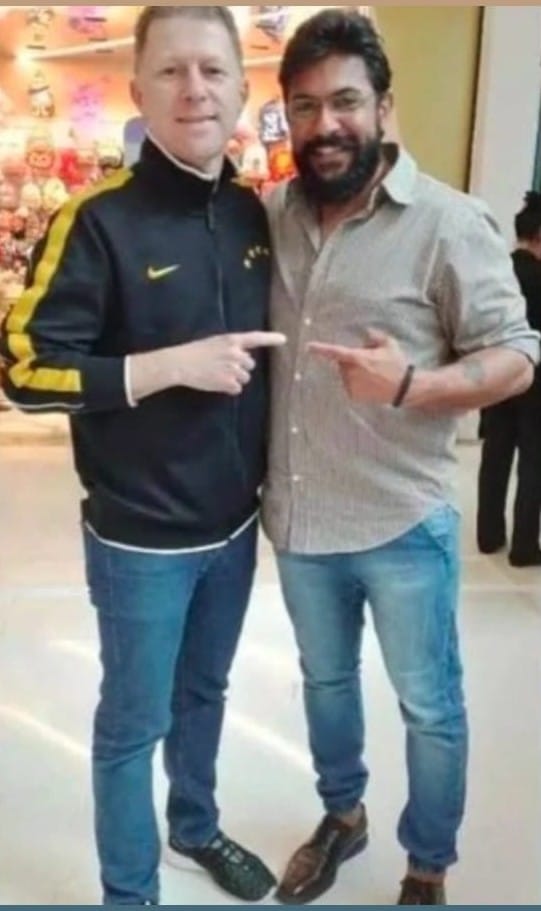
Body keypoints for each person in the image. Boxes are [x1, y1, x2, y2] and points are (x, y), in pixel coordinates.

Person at [1, 6, 284, 906]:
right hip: (139, 540)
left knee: (205, 692)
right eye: (171, 70)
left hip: (235, 527)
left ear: (239, 89)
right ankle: (130, 892)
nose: (193, 89)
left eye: (212, 70)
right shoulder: (95, 221)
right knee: (133, 722)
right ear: (138, 91)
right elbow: (22, 367)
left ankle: (193, 825)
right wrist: (167, 366)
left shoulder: (249, 211)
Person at [262, 9, 539, 906]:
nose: (326, 124)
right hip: (300, 521)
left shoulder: (449, 223)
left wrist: (413, 384)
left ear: (384, 107)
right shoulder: (274, 214)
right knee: (325, 683)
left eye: (345, 101)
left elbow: (518, 353)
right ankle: (342, 816)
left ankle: (427, 866)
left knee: (429, 705)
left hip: (401, 523)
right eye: (305, 106)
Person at [477, 191, 541, 566]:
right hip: (535, 381)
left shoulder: (498, 270)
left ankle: (489, 535)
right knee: (533, 464)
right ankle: (524, 546)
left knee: (495, 456)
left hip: (498, 376)